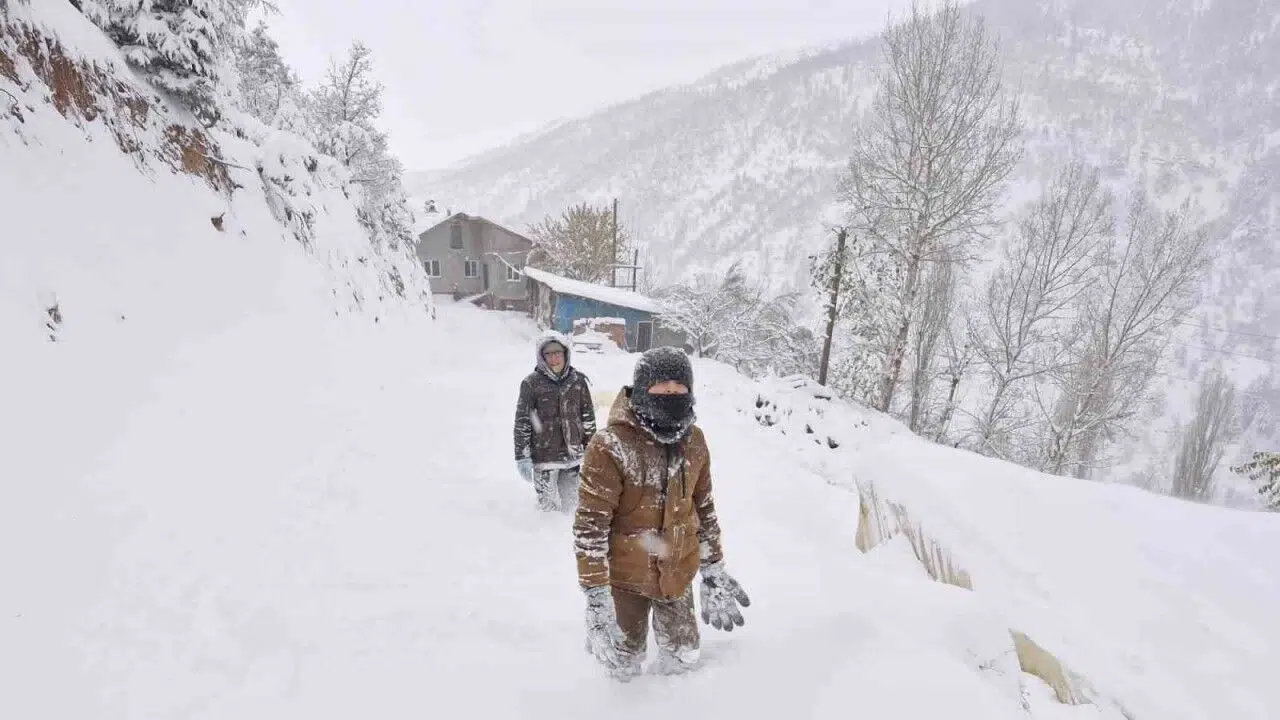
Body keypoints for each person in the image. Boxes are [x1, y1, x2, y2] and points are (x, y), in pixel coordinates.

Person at [572, 346, 751, 679]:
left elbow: (704, 507)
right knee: (622, 663)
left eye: (679, 389)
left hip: (677, 573)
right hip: (624, 580)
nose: (671, 394)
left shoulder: (694, 440)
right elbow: (590, 528)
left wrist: (712, 566)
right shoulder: (610, 445)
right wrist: (596, 596)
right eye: (661, 388)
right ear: (642, 390)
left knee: (684, 660)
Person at [513, 331, 597, 512]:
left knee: (572, 508)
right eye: (548, 354)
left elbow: (588, 417)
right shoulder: (531, 383)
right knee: (547, 511)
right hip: (544, 458)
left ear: (565, 353)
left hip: (572, 456)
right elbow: (523, 422)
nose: (554, 358)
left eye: (557, 353)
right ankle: (543, 538)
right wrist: (522, 456)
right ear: (541, 356)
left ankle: (565, 539)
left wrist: (592, 449)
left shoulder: (577, 381)